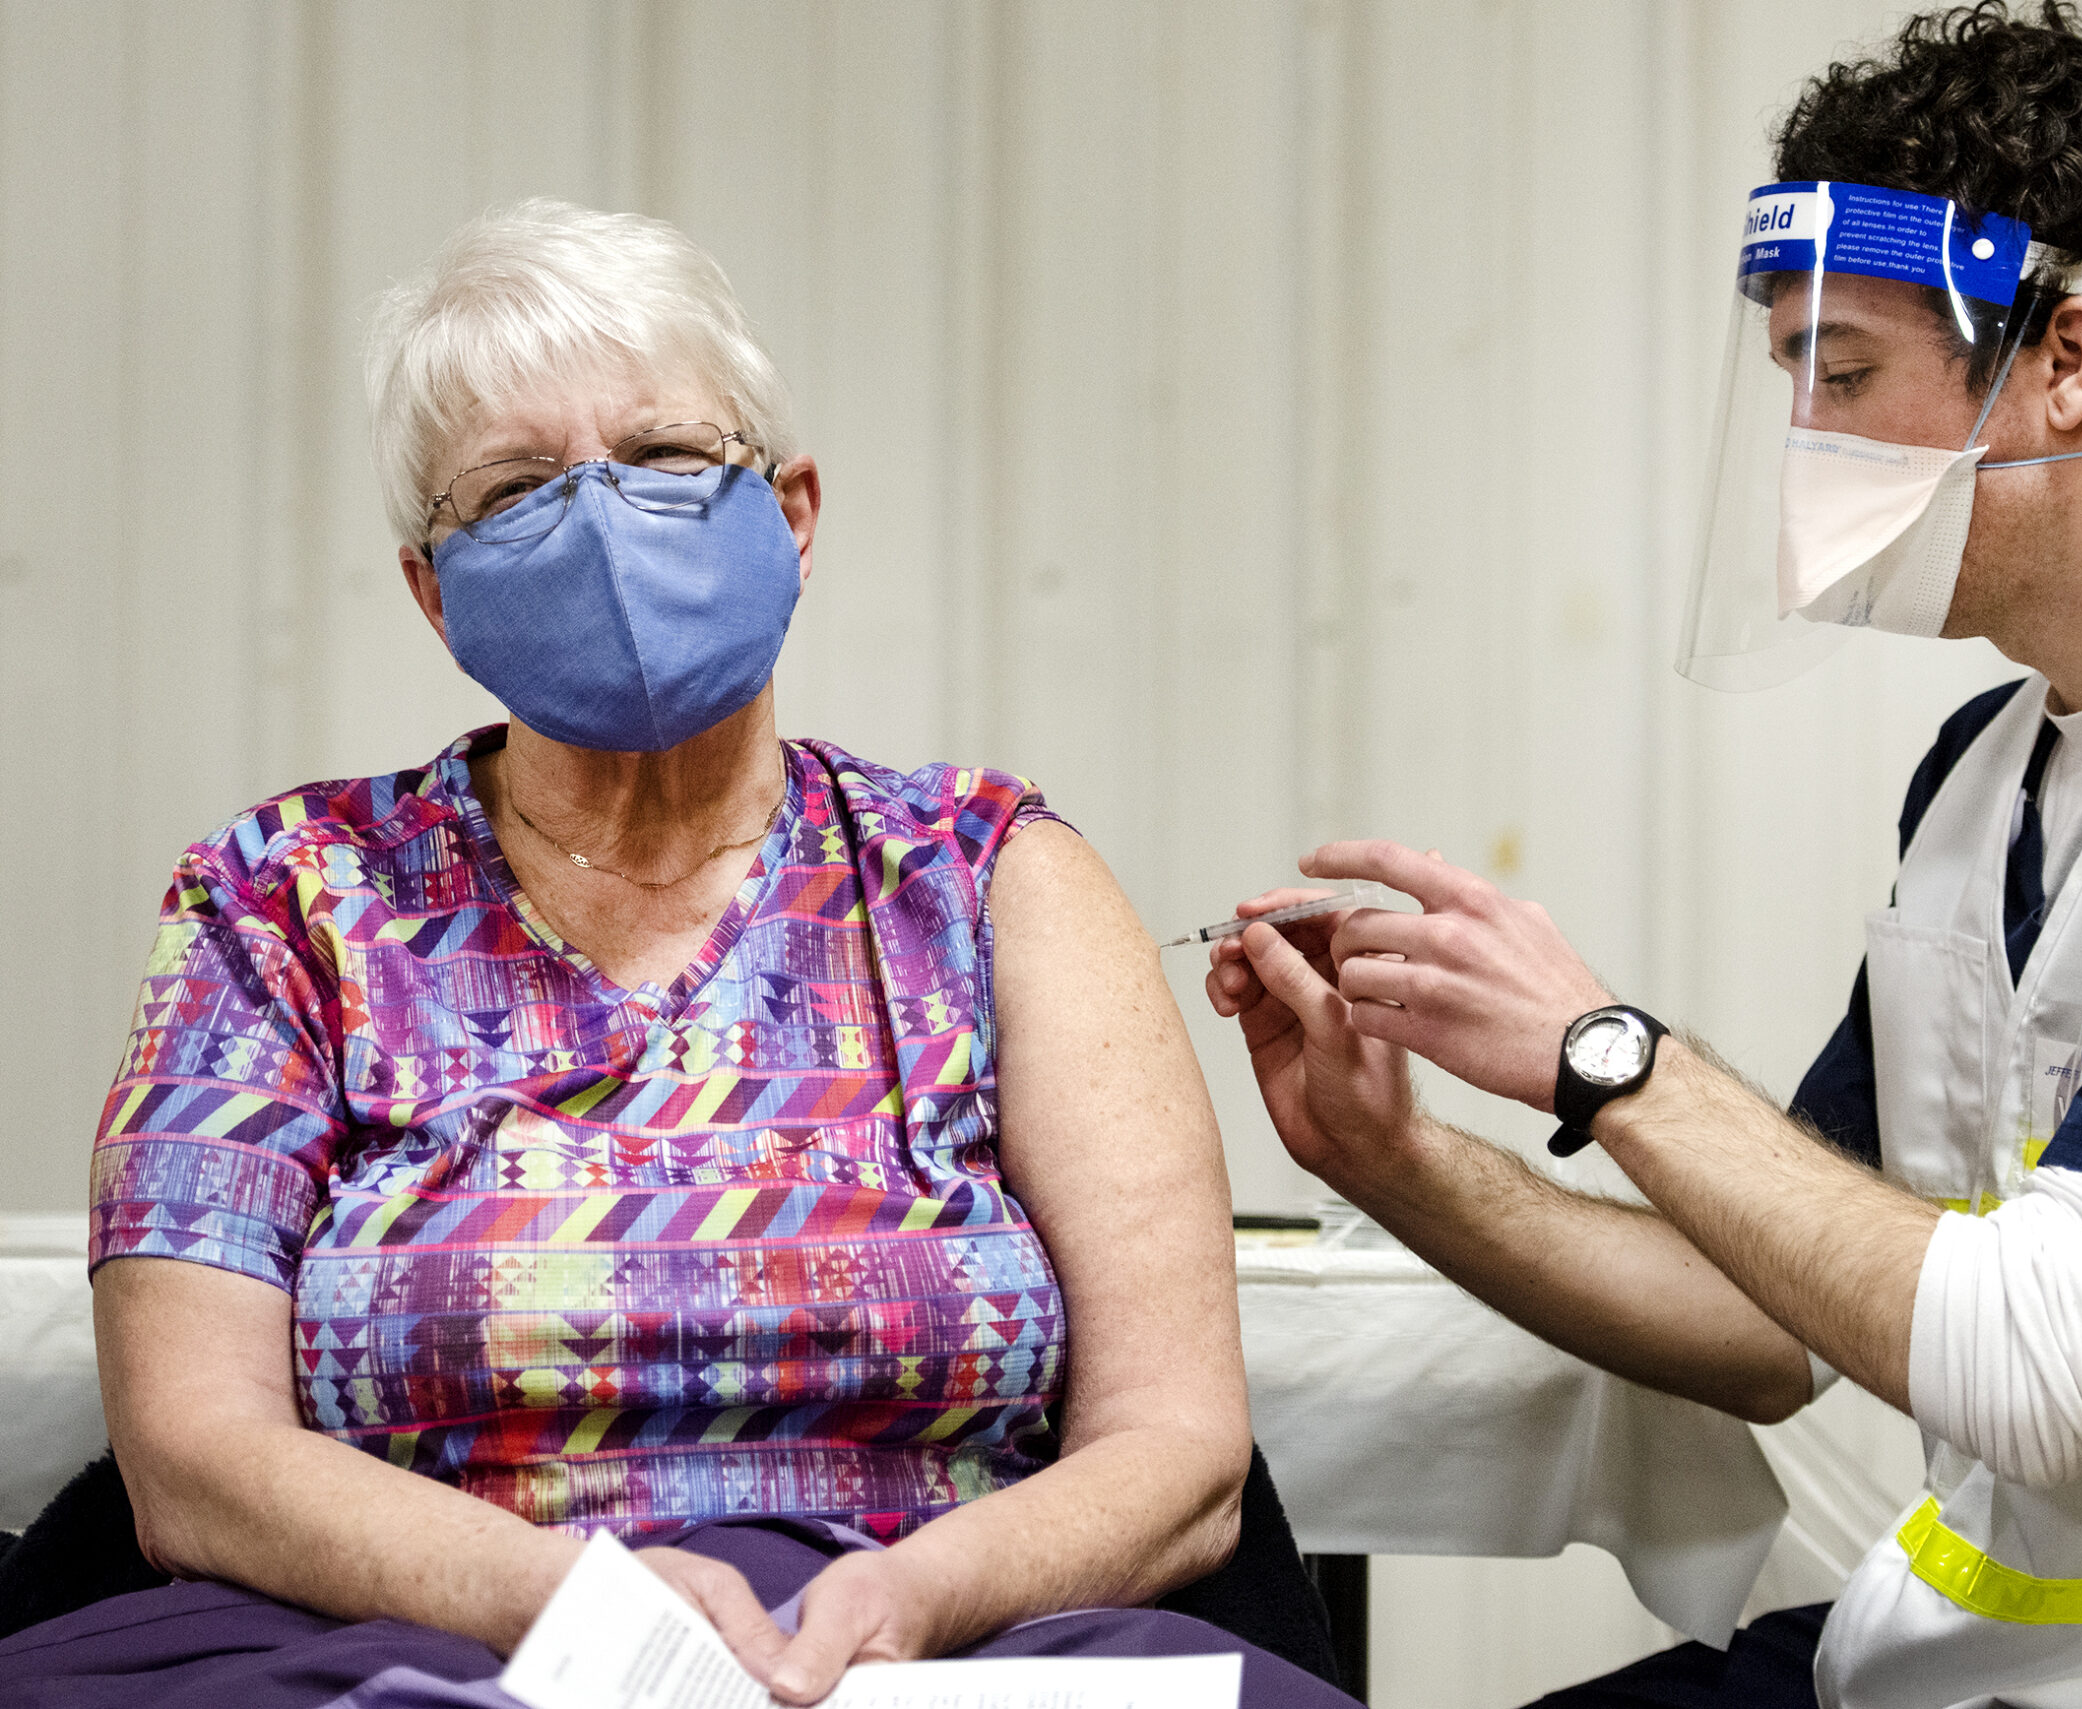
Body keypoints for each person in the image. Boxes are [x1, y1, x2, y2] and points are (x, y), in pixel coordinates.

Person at [1208, 6, 2082, 1706]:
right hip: (1998, 1651)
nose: (1805, 445)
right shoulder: (1989, 774)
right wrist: (1398, 1162)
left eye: (1844, 375)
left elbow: (2051, 1367)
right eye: (1789, 382)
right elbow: (1775, 1318)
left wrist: (1604, 1055)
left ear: (2066, 357)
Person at [1, 200, 1347, 1709]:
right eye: (515, 488)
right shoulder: (281, 901)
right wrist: (577, 1605)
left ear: (796, 511)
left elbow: (1176, 1448)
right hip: (413, 1642)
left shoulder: (990, 877)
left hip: (952, 1646)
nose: (599, 520)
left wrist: (906, 1601)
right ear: (434, 593)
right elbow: (194, 1454)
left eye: (660, 459)